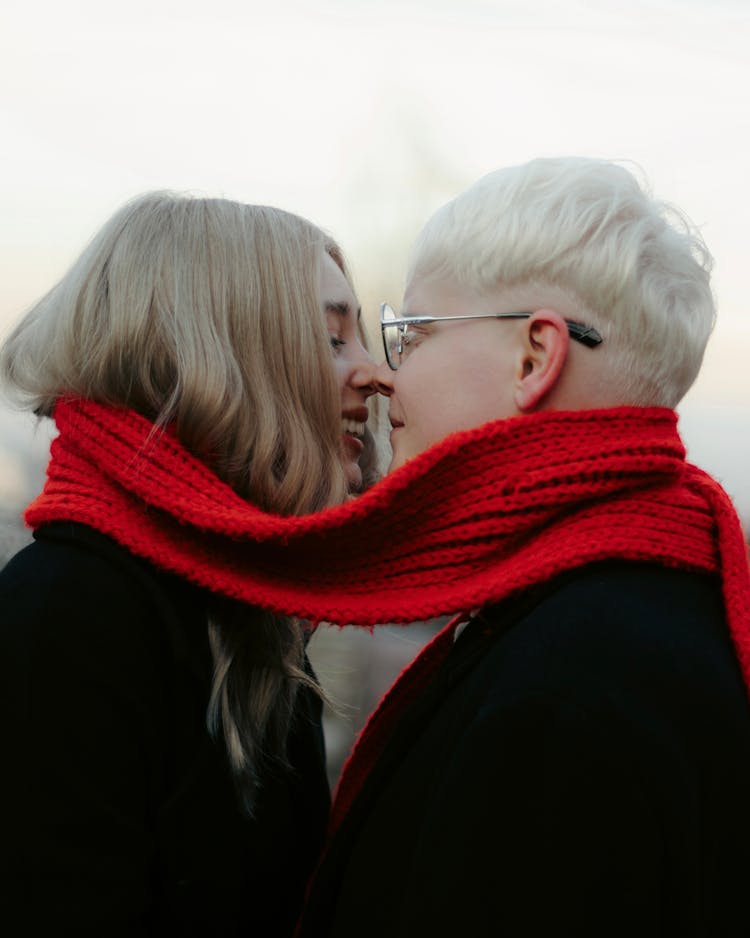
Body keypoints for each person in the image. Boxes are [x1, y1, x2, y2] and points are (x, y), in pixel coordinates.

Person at [287, 158, 750, 937]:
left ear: (535, 357)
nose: (387, 381)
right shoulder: (655, 598)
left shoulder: (565, 691)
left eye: (416, 334)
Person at [0, 192, 376, 936]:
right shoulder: (67, 618)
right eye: (334, 341)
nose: (374, 374)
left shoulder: (245, 611)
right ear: (216, 359)